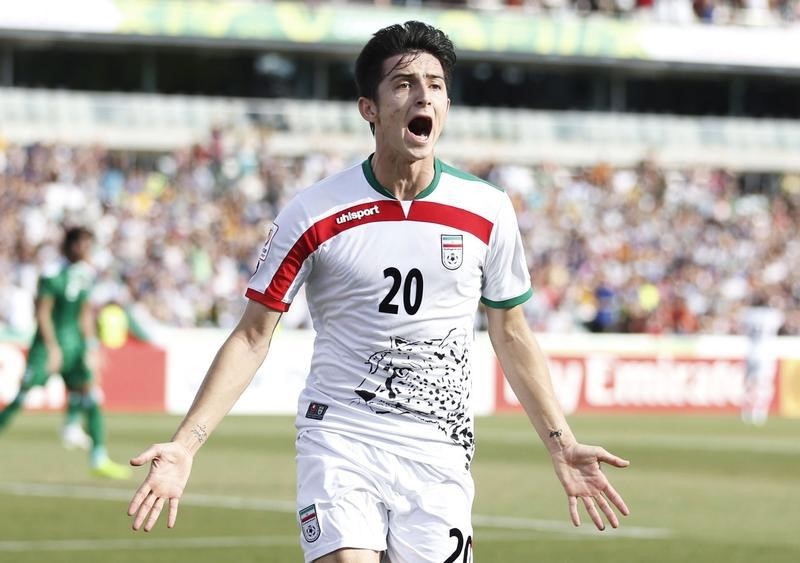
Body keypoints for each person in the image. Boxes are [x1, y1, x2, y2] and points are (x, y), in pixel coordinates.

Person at [127, 21, 629, 561]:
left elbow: (511, 333)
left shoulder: (487, 210)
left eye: (436, 85)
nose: (424, 96)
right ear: (369, 108)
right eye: (405, 83)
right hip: (341, 434)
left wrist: (561, 443)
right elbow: (252, 337)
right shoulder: (313, 212)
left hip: (439, 450)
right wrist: (185, 445)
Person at [0, 226, 131, 479]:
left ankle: (98, 457)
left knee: (91, 395)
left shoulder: (85, 274)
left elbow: (84, 313)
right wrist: (52, 347)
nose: (85, 250)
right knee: (22, 396)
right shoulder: (52, 273)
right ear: (69, 245)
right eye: (80, 244)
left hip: (76, 346)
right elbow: (43, 313)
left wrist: (91, 347)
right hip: (48, 346)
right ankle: (69, 426)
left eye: (88, 245)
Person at [739, 295, 785, 426]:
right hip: (766, 354)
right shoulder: (773, 314)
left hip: (751, 351)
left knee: (749, 383)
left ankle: (747, 410)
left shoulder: (748, 314)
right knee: (764, 383)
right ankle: (760, 411)